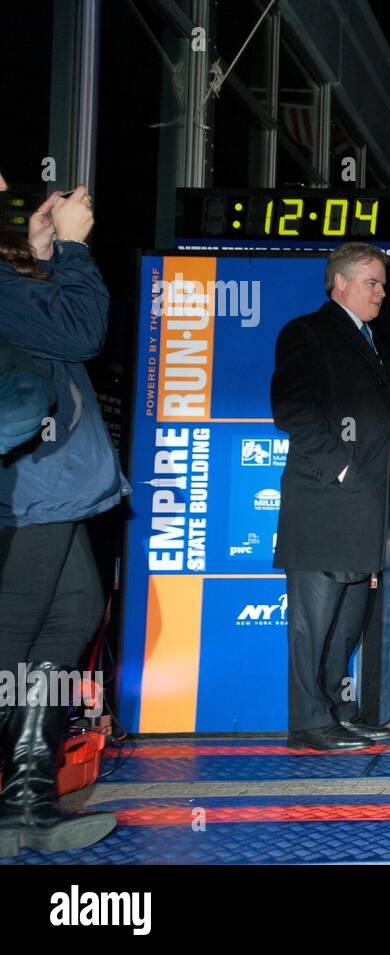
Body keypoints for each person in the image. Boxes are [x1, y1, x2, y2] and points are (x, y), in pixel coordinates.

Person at [271, 242, 390, 751]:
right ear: (340, 283)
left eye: (382, 283)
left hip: (359, 511)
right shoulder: (307, 333)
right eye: (372, 282)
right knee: (312, 626)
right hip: (323, 507)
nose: (382, 292)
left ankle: (337, 710)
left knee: (346, 624)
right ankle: (308, 723)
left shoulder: (370, 343)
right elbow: (292, 410)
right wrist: (340, 468)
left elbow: (381, 427)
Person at [0, 173, 128, 856]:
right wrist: (75, 250)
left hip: (53, 482)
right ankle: (21, 797)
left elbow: (44, 335)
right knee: (12, 635)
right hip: (31, 483)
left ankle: (28, 796)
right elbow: (81, 331)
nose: (8, 189)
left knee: (73, 612)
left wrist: (46, 256)